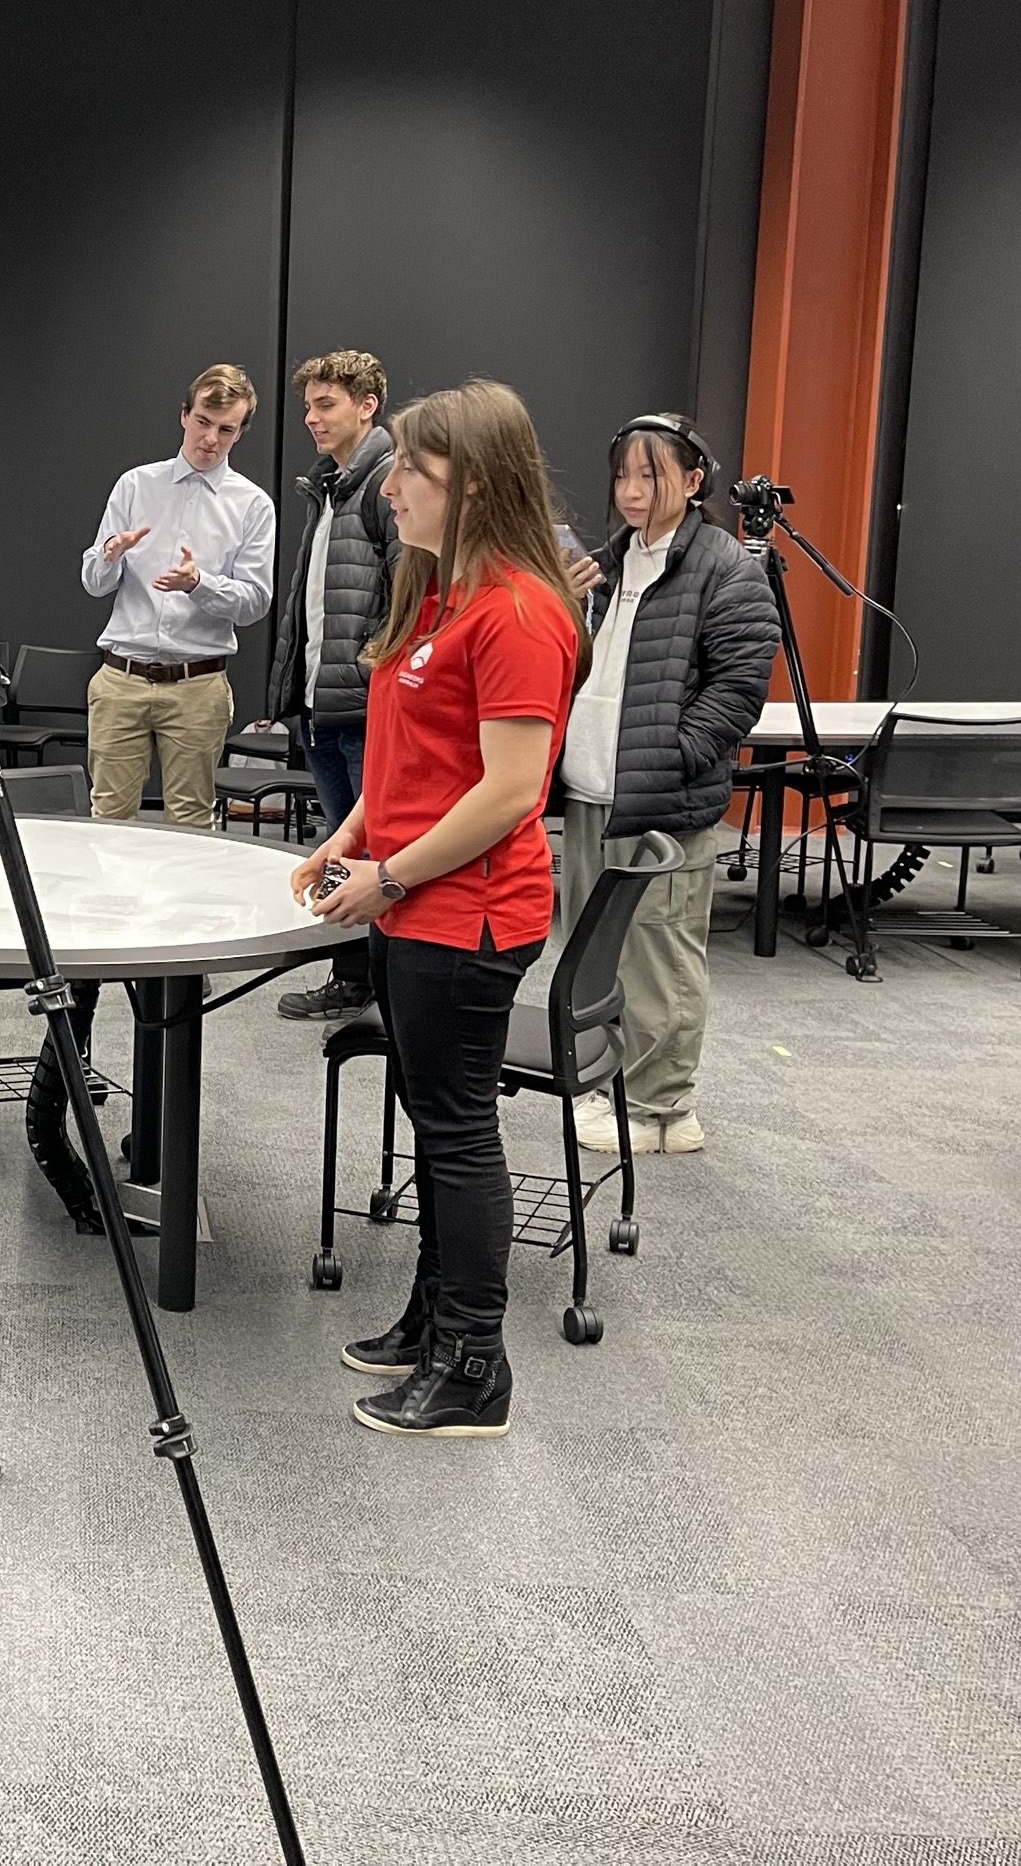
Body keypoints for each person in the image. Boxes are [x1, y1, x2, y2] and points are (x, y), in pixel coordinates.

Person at [291, 380, 586, 1439]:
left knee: (457, 1136)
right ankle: (431, 1323)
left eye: (415, 467)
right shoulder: (441, 592)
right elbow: (415, 757)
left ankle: (473, 1368)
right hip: (417, 900)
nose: (394, 484)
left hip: (465, 915)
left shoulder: (516, 610)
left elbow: (509, 790)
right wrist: (348, 837)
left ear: (477, 484)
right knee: (434, 1122)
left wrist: (393, 874)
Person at [555, 414, 779, 1156]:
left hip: (660, 798)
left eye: (651, 475)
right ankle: (616, 1087)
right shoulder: (608, 564)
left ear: (692, 481)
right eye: (623, 474)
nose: (632, 490)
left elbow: (740, 689)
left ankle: (662, 1106)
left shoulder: (724, 567)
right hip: (591, 793)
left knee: (662, 952)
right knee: (596, 951)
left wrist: (673, 755)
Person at [78, 365, 276, 825]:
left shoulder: (252, 504)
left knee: (191, 825)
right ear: (185, 415)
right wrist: (111, 554)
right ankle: (109, 901)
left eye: (226, 429)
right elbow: (93, 582)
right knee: (109, 818)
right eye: (204, 421)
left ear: (240, 433)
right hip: (121, 678)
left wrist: (200, 584)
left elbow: (255, 603)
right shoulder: (136, 485)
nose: (211, 438)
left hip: (197, 685)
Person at [265, 350, 400, 1022]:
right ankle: (357, 975)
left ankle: (374, 982)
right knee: (343, 844)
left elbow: (405, 595)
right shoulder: (330, 485)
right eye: (309, 406)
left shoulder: (384, 484)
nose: (313, 418)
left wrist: (374, 671)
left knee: (374, 846)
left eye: (327, 405)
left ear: (368, 403)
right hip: (324, 706)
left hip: (365, 706)